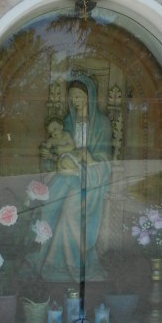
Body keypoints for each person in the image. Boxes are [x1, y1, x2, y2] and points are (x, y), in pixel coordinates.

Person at [39, 76, 112, 282]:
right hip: (68, 175)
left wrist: (89, 159)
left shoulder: (102, 124)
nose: (75, 101)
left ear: (89, 97)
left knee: (70, 212)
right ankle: (55, 261)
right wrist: (50, 155)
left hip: (91, 179)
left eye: (79, 96)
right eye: (72, 97)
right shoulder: (67, 123)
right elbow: (58, 152)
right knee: (50, 204)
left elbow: (106, 162)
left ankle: (71, 263)